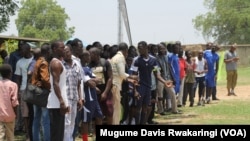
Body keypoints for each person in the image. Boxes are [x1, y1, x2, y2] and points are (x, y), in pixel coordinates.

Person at [130, 41, 173, 125]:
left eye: (141, 48)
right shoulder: (136, 60)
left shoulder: (153, 60)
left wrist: (165, 82)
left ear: (146, 48)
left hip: (148, 87)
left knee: (146, 107)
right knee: (138, 108)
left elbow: (157, 74)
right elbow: (133, 77)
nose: (139, 50)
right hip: (140, 87)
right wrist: (135, 90)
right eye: (138, 48)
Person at [110, 42, 138, 125]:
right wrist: (132, 77)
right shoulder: (120, 57)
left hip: (116, 84)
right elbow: (122, 74)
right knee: (117, 110)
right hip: (116, 86)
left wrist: (130, 80)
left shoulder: (115, 57)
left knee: (117, 109)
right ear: (126, 50)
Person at [47, 40, 69, 141]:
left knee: (59, 133)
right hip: (57, 103)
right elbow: (55, 84)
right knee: (57, 134)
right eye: (62, 47)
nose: (64, 49)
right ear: (55, 49)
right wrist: (61, 101)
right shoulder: (56, 63)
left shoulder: (58, 62)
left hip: (59, 102)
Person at [79, 51, 103, 141]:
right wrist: (93, 82)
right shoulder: (80, 68)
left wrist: (93, 82)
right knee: (86, 121)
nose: (89, 57)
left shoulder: (87, 68)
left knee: (99, 116)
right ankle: (85, 139)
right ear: (83, 57)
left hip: (94, 97)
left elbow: (98, 79)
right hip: (87, 97)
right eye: (87, 55)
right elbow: (90, 83)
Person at [31, 43, 51, 141]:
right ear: (48, 51)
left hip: (35, 93)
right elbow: (45, 79)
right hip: (42, 94)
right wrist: (50, 88)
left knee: (36, 119)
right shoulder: (44, 62)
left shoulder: (37, 61)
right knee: (46, 120)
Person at [63, 45, 83, 141]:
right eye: (64, 52)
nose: (66, 54)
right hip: (65, 99)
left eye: (67, 51)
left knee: (72, 123)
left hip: (74, 98)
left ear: (71, 51)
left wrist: (80, 98)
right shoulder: (61, 65)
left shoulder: (77, 64)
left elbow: (79, 83)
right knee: (66, 123)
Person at [14, 42, 34, 141]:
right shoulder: (19, 62)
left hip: (35, 90)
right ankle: (28, 135)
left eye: (22, 49)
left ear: (28, 49)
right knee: (25, 114)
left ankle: (35, 132)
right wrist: (17, 92)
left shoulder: (35, 60)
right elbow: (18, 78)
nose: (21, 51)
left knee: (33, 113)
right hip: (24, 90)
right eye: (20, 49)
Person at [0, 64, 19, 141]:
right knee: (10, 135)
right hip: (10, 114)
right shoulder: (13, 85)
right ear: (10, 73)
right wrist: (16, 114)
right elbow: (14, 101)